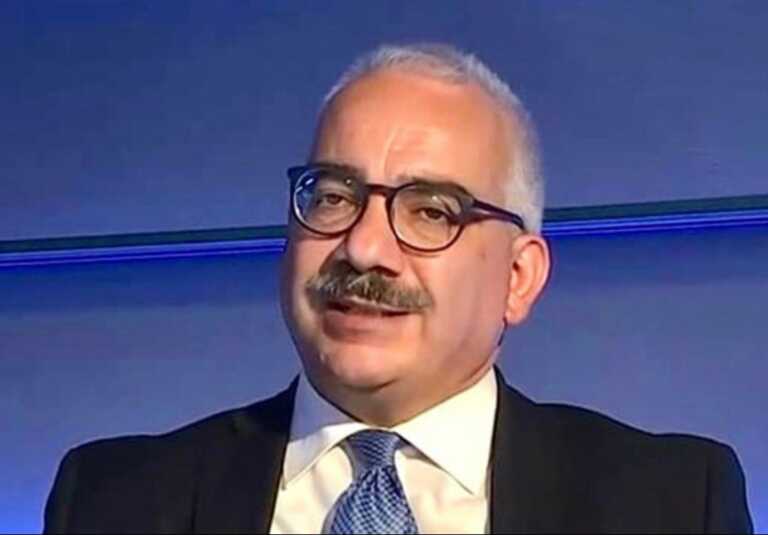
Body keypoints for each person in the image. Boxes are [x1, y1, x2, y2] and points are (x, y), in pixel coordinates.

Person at [44, 43, 753, 534]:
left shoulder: (671, 502)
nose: (364, 247)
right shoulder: (111, 499)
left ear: (518, 277)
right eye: (332, 196)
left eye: (431, 212)